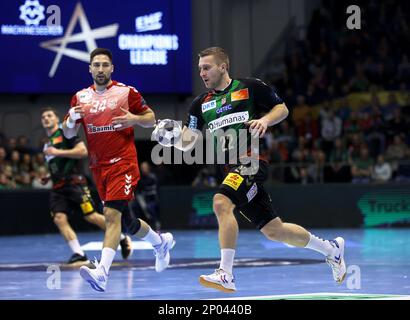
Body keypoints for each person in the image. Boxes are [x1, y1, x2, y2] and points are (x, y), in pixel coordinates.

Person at [155, 47, 346, 293]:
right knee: (274, 230)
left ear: (223, 66)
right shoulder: (199, 105)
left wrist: (264, 120)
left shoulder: (249, 87)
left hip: (251, 161)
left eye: (207, 67)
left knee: (221, 202)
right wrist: (171, 138)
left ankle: (225, 273)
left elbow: (282, 109)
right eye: (200, 68)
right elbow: (188, 141)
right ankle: (331, 250)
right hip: (230, 168)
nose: (201, 72)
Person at [62, 48, 175, 292]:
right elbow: (69, 133)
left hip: (123, 163)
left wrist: (134, 119)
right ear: (90, 68)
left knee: (111, 216)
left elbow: (151, 118)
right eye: (96, 65)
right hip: (98, 168)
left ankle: (102, 272)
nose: (100, 69)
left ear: (112, 68)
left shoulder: (127, 92)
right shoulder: (80, 97)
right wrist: (70, 119)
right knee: (128, 223)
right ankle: (161, 242)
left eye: (105, 65)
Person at [41, 107, 133, 264]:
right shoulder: (47, 142)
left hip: (74, 183)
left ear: (57, 119)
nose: (46, 118)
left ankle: (122, 238)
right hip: (58, 187)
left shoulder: (65, 133)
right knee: (59, 218)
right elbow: (57, 164)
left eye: (49, 115)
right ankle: (79, 253)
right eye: (43, 117)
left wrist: (57, 152)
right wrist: (49, 176)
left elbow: (82, 151)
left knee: (91, 216)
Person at [130, 161, 161, 231]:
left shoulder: (153, 177)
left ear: (148, 168)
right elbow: (137, 190)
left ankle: (156, 223)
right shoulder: (139, 178)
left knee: (149, 207)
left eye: (145, 167)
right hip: (142, 199)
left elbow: (155, 191)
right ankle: (135, 226)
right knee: (133, 206)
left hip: (152, 200)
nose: (144, 169)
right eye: (142, 168)